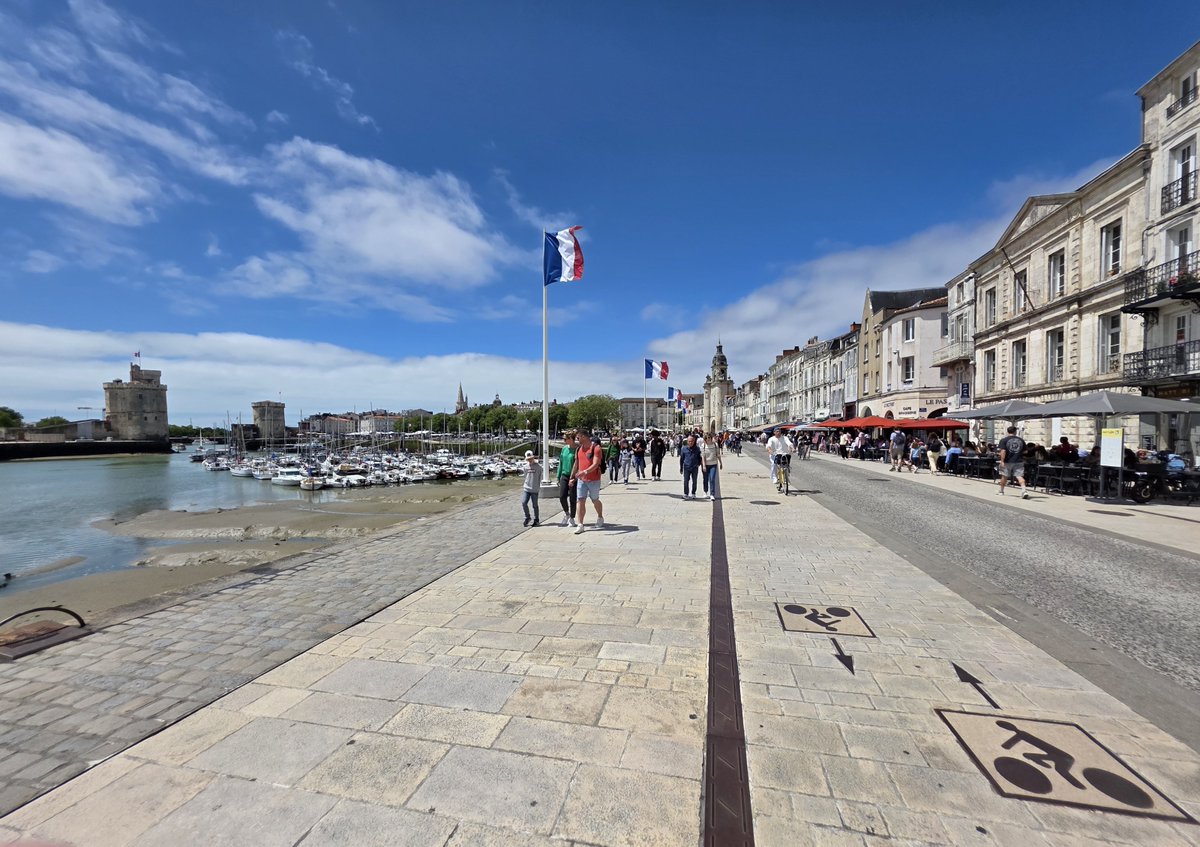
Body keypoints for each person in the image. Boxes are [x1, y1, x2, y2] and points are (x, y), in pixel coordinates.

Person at [572, 431, 605, 533]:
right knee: (580, 500)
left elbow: (596, 464)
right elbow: (576, 464)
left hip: (594, 480)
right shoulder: (579, 449)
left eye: (578, 438)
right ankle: (580, 524)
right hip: (582, 480)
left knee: (595, 500)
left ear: (584, 437)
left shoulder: (596, 448)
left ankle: (600, 516)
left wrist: (584, 472)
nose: (577, 440)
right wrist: (572, 477)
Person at [997, 426, 1030, 498]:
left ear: (1007, 431)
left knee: (1004, 476)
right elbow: (1025, 451)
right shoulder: (1021, 440)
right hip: (1018, 460)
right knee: (1019, 476)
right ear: (1015, 431)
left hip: (1007, 461)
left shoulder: (1004, 440)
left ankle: (1001, 491)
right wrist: (1018, 452)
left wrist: (1002, 461)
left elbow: (1003, 451)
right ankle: (1024, 491)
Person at [557, 432, 578, 527]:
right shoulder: (564, 449)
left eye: (565, 439)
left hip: (573, 477)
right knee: (562, 496)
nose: (564, 440)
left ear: (571, 439)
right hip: (564, 475)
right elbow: (561, 463)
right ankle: (567, 513)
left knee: (573, 498)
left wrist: (576, 477)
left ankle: (572, 518)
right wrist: (558, 476)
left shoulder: (577, 449)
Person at [765, 427, 793, 492]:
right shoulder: (771, 439)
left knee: (786, 464)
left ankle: (786, 476)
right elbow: (768, 446)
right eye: (777, 431)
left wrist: (792, 448)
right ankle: (774, 478)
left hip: (784, 453)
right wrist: (770, 450)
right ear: (774, 432)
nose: (778, 432)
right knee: (774, 464)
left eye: (779, 431)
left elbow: (789, 443)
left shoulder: (785, 438)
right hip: (775, 454)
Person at [520, 450, 541, 526]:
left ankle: (536, 519)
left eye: (531, 458)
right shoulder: (525, 467)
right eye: (528, 459)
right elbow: (526, 476)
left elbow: (540, 477)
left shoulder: (538, 467)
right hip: (527, 488)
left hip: (534, 489)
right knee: (524, 502)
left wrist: (538, 486)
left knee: (535, 505)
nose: (530, 460)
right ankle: (527, 517)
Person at [701, 430, 722, 500]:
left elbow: (718, 454)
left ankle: (712, 494)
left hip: (713, 464)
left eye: (709, 437)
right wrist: (704, 465)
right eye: (706, 438)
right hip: (706, 464)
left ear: (711, 437)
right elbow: (703, 456)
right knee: (705, 479)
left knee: (712, 479)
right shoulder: (703, 446)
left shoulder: (715, 445)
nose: (708, 439)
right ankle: (705, 492)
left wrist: (721, 463)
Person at [679, 433, 702, 499]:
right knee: (686, 481)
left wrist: (698, 464)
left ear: (694, 441)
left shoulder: (697, 449)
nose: (690, 442)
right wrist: (681, 468)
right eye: (689, 441)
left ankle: (693, 493)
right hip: (686, 467)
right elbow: (681, 459)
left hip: (694, 467)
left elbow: (699, 458)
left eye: (692, 441)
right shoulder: (683, 448)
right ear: (687, 441)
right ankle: (686, 493)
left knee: (694, 481)